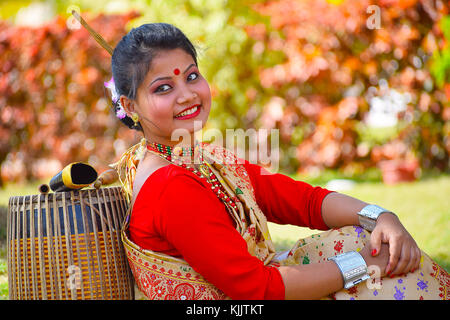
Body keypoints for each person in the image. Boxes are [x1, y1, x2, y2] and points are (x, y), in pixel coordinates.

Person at [106, 23, 449, 300]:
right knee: (385, 275)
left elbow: (303, 201)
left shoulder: (199, 158)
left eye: (192, 76)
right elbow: (258, 290)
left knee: (366, 235)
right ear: (131, 107)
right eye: (163, 88)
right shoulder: (170, 186)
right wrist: (362, 264)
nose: (187, 94)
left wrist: (380, 216)